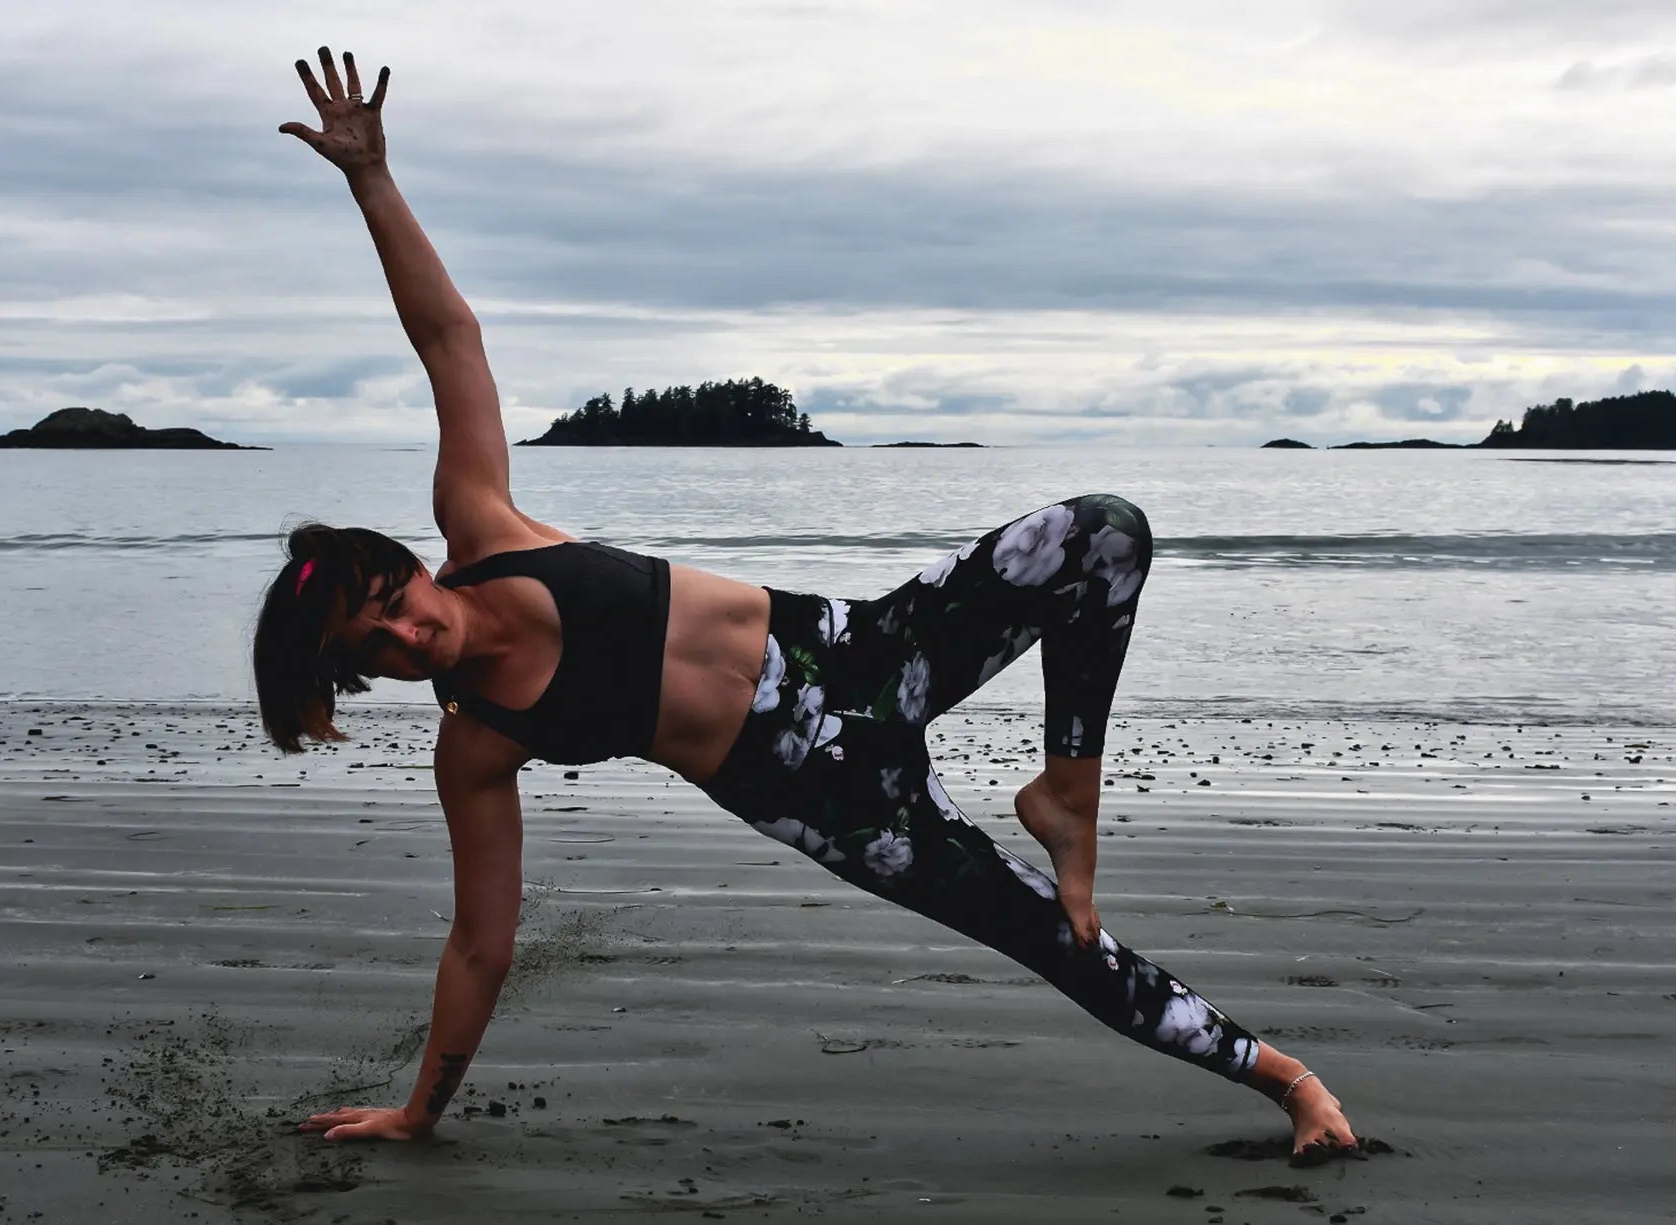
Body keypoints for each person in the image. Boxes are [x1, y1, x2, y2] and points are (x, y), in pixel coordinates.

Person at [261, 47, 1358, 1161]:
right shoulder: (480, 743)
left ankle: (1065, 787)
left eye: (387, 596)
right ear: (366, 674)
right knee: (1051, 937)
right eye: (377, 647)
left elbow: (449, 337)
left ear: (402, 562)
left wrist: (370, 181)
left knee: (1104, 531)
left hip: (866, 652)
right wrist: (418, 1112)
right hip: (831, 799)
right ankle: (1290, 1082)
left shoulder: (486, 529)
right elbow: (479, 946)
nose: (407, 631)